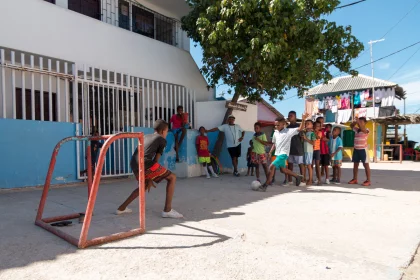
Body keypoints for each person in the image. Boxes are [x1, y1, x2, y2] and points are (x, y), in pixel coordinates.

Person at [116, 119, 183, 219]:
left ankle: (121, 208)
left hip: (134, 163)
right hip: (146, 163)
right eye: (167, 131)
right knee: (172, 177)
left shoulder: (146, 136)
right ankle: (167, 210)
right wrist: (151, 177)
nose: (167, 133)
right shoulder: (162, 140)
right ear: (162, 131)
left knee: (143, 186)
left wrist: (150, 177)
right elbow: (156, 159)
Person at [255, 114, 309, 192]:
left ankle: (265, 185)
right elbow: (274, 143)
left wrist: (303, 119)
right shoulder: (275, 132)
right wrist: (270, 152)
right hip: (277, 154)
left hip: (283, 154)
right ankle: (297, 176)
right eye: (275, 125)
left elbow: (300, 128)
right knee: (283, 170)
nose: (276, 126)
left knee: (271, 167)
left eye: (278, 125)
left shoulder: (288, 131)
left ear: (283, 124)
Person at [348, 117, 371, 186]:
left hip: (363, 150)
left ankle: (368, 180)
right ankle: (354, 179)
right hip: (356, 149)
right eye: (359, 122)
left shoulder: (366, 130)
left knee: (366, 165)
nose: (359, 123)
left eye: (361, 122)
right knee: (355, 165)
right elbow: (351, 126)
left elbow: (363, 129)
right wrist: (355, 122)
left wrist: (358, 122)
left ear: (365, 123)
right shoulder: (356, 129)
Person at [286, 111, 305, 186]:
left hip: (298, 149)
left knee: (300, 164)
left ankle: (302, 181)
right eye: (289, 115)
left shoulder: (299, 126)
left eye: (291, 116)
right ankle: (290, 181)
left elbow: (302, 137)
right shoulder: (287, 128)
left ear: (295, 117)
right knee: (290, 165)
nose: (290, 117)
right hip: (290, 149)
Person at [303, 120, 316, 186]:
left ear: (312, 125)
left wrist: (306, 139)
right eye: (306, 124)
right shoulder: (305, 133)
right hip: (304, 151)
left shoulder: (312, 134)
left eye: (308, 124)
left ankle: (310, 180)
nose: (306, 125)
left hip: (309, 151)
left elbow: (313, 143)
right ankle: (304, 178)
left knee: (309, 166)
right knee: (304, 166)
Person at [312, 121, 322, 186]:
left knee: (317, 165)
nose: (316, 127)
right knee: (310, 165)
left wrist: (313, 132)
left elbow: (318, 137)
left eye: (318, 126)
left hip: (317, 150)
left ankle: (319, 179)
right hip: (311, 150)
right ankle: (311, 178)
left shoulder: (319, 132)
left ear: (320, 127)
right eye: (315, 126)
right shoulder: (311, 132)